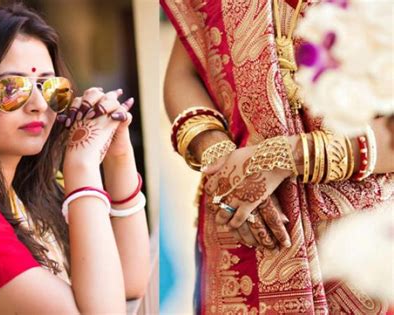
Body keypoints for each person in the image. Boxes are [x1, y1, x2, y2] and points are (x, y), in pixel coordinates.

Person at [161, 0, 393, 313]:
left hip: (365, 246)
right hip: (242, 231)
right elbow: (183, 72)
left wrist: (287, 156)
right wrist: (217, 153)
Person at [0, 4, 150, 314]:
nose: (39, 104)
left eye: (49, 86)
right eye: (12, 88)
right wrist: (82, 166)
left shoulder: (29, 191)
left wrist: (118, 155)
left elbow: (130, 280)